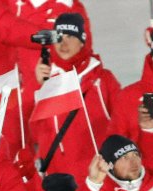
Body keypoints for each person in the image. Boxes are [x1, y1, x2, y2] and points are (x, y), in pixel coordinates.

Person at [29, 13, 119, 178]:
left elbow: (123, 125)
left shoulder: (103, 80)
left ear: (82, 40)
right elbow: (36, 136)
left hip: (97, 177)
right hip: (60, 182)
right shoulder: (46, 80)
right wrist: (42, 87)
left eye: (70, 36)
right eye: (59, 37)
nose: (63, 43)